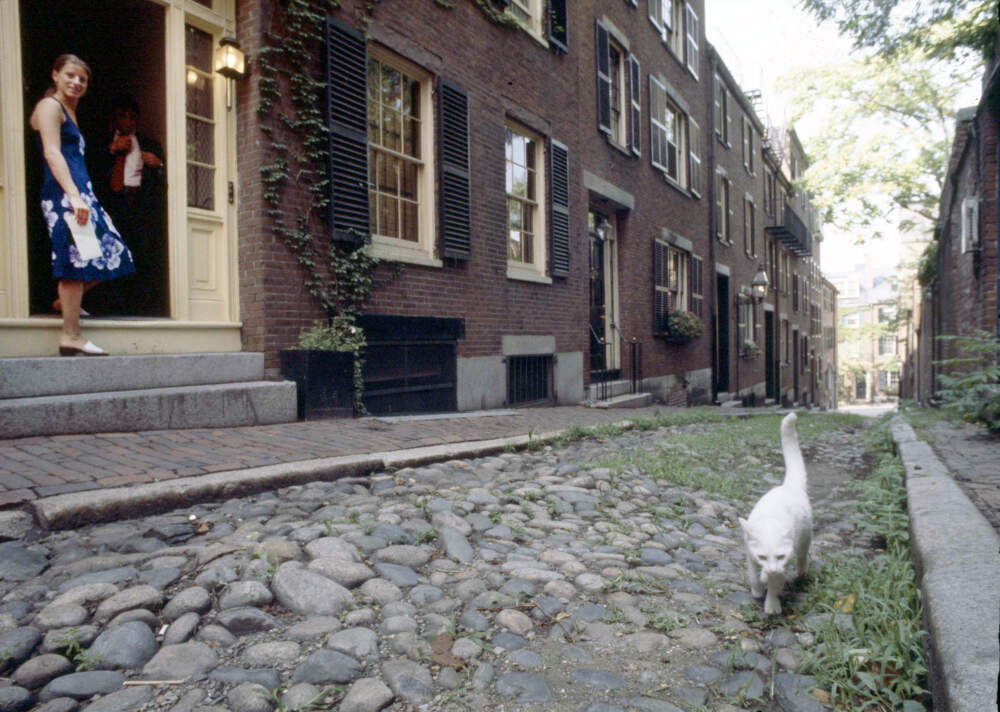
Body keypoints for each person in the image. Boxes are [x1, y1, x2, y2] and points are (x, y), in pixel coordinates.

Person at [30, 54, 135, 356]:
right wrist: (74, 197)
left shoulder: (69, 112)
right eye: (70, 75)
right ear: (55, 75)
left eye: (82, 79)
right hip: (66, 196)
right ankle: (71, 335)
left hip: (81, 194)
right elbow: (52, 154)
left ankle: (64, 304)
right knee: (76, 264)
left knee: (111, 254)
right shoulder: (50, 106)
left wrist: (84, 196)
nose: (76, 82)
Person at [93, 94, 166, 316]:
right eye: (123, 116)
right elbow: (90, 170)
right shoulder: (101, 143)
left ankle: (137, 308)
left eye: (133, 117)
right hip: (112, 207)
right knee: (111, 256)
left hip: (139, 209)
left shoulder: (150, 145)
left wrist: (160, 164)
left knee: (138, 257)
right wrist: (112, 149)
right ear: (115, 119)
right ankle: (109, 308)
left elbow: (165, 183)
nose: (129, 121)